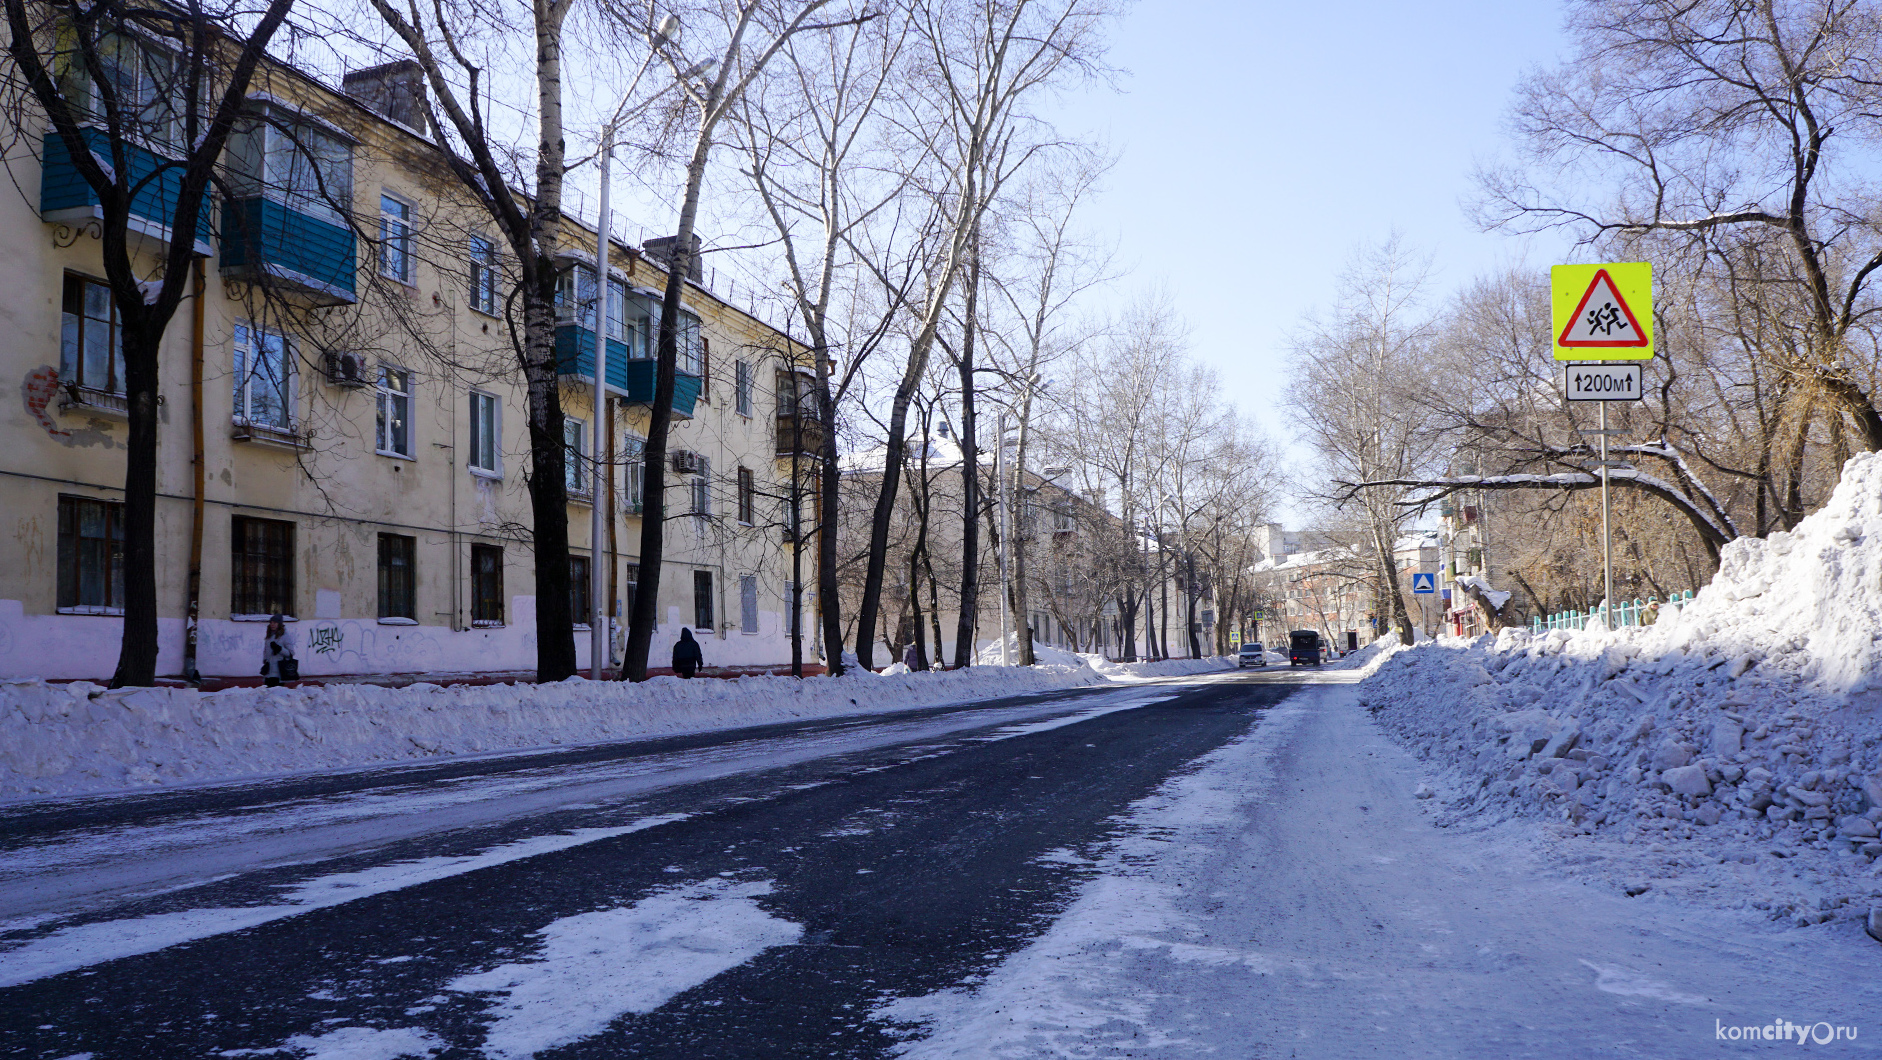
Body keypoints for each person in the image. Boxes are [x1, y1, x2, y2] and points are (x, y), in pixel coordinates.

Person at [261, 614, 296, 687]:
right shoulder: (269, 636)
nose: (272, 624)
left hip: (279, 671)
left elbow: (291, 653)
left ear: (279, 624)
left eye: (275, 623)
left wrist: (279, 649)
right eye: (271, 622)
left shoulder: (285, 636)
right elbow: (265, 650)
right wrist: (265, 660)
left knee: (276, 695)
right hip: (268, 671)